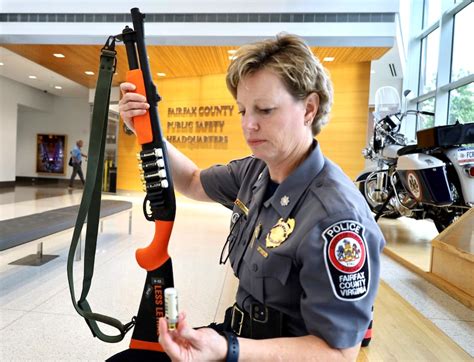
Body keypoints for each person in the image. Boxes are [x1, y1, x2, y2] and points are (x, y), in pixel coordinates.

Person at [119, 33, 385, 361]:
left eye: (265, 110)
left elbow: (339, 354)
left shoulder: (336, 217)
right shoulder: (256, 171)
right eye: (243, 110)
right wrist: (143, 128)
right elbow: (191, 181)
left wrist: (228, 350)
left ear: (309, 109)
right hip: (239, 338)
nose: (248, 125)